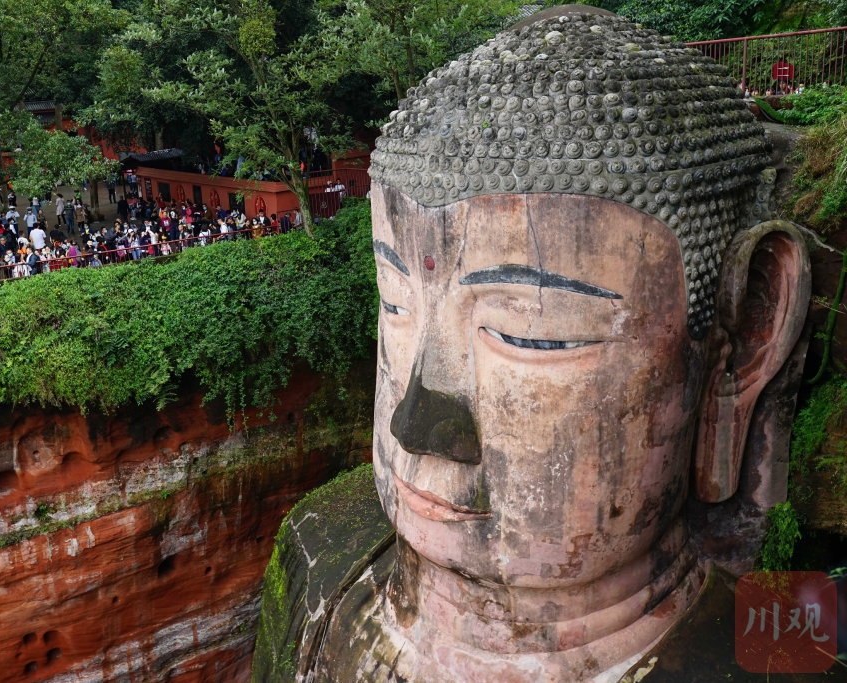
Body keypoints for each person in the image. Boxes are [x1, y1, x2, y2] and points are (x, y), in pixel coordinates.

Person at [254, 7, 813, 682]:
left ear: (745, 340)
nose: (417, 424)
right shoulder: (317, 548)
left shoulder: (785, 653)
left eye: (528, 331)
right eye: (394, 301)